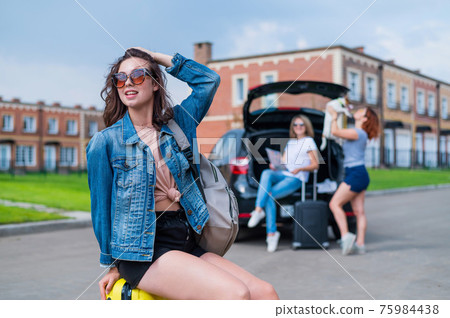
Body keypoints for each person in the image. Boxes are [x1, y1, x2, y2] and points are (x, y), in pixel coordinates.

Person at [86, 47, 279, 300]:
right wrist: (111, 265)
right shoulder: (106, 142)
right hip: (144, 252)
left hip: (186, 241)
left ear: (155, 83)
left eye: (138, 75)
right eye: (120, 79)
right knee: (235, 295)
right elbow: (101, 210)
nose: (128, 84)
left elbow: (209, 81)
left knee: (265, 293)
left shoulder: (178, 125)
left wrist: (155, 57)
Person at [247, 115, 319, 252]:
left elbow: (316, 165)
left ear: (306, 126)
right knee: (267, 173)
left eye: (301, 124)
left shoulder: (309, 141)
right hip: (284, 173)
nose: (298, 127)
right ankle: (258, 211)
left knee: (269, 195)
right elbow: (284, 163)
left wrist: (300, 168)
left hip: (296, 178)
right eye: (295, 124)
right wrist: (276, 165)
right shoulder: (291, 142)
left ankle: (271, 233)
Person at [327, 106, 379, 255]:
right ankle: (360, 244)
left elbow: (335, 132)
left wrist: (334, 116)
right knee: (359, 211)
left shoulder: (358, 133)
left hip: (355, 173)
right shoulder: (360, 134)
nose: (357, 111)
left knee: (334, 204)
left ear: (365, 119)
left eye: (361, 111)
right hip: (359, 173)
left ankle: (346, 236)